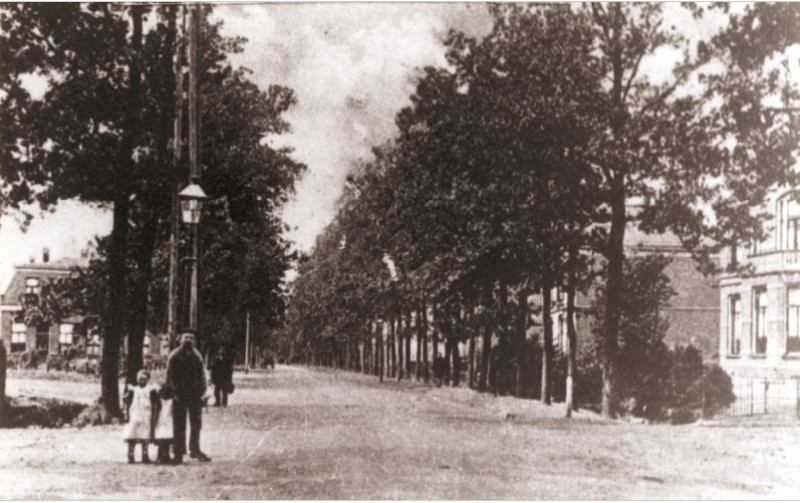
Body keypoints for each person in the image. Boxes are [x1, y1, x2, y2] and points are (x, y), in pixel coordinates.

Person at [166, 331, 211, 463]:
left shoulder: (197, 356)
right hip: (179, 394)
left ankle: (195, 449)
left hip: (194, 394)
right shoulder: (174, 355)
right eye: (186, 337)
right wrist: (172, 392)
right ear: (180, 339)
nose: (189, 340)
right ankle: (178, 453)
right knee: (179, 424)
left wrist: (203, 392)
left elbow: (202, 374)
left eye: (191, 338)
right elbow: (169, 376)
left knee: (196, 424)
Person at [122, 369, 158, 464]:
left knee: (145, 435)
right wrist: (126, 413)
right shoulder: (133, 389)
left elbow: (156, 401)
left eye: (144, 379)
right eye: (139, 379)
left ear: (147, 380)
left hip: (146, 415)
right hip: (135, 415)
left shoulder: (150, 390)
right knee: (132, 434)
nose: (141, 381)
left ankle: (145, 456)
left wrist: (155, 413)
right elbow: (126, 400)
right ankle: (130, 455)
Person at [153, 383, 174, 465]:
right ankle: (160, 456)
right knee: (161, 438)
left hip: (168, 422)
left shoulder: (171, 401)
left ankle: (166, 455)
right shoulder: (159, 401)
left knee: (168, 439)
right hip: (161, 422)